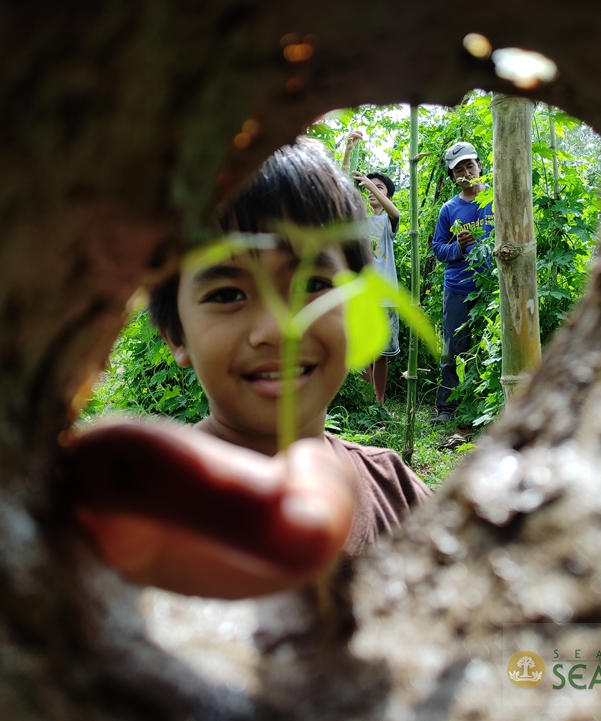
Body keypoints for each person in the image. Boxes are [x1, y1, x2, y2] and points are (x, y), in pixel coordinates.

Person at [64, 138, 430, 600]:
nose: (278, 329)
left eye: (313, 284)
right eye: (227, 294)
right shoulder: (140, 501)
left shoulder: (399, 493)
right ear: (176, 336)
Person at [430, 141, 495, 425]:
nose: (466, 172)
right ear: (452, 176)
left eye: (470, 165)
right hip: (458, 287)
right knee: (454, 347)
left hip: (493, 286)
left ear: (480, 165)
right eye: (459, 169)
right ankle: (447, 407)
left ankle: (488, 405)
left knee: (490, 347)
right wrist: (457, 247)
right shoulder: (449, 209)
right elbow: (438, 250)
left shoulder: (498, 199)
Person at [341, 130, 401, 407]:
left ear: (386, 193)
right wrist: (349, 151)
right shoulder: (357, 219)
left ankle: (380, 402)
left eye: (380, 188)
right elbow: (341, 187)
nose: (373, 192)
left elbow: (396, 213)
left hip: (386, 294)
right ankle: (367, 402)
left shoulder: (387, 222)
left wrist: (369, 182)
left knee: (382, 354)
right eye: (369, 188)